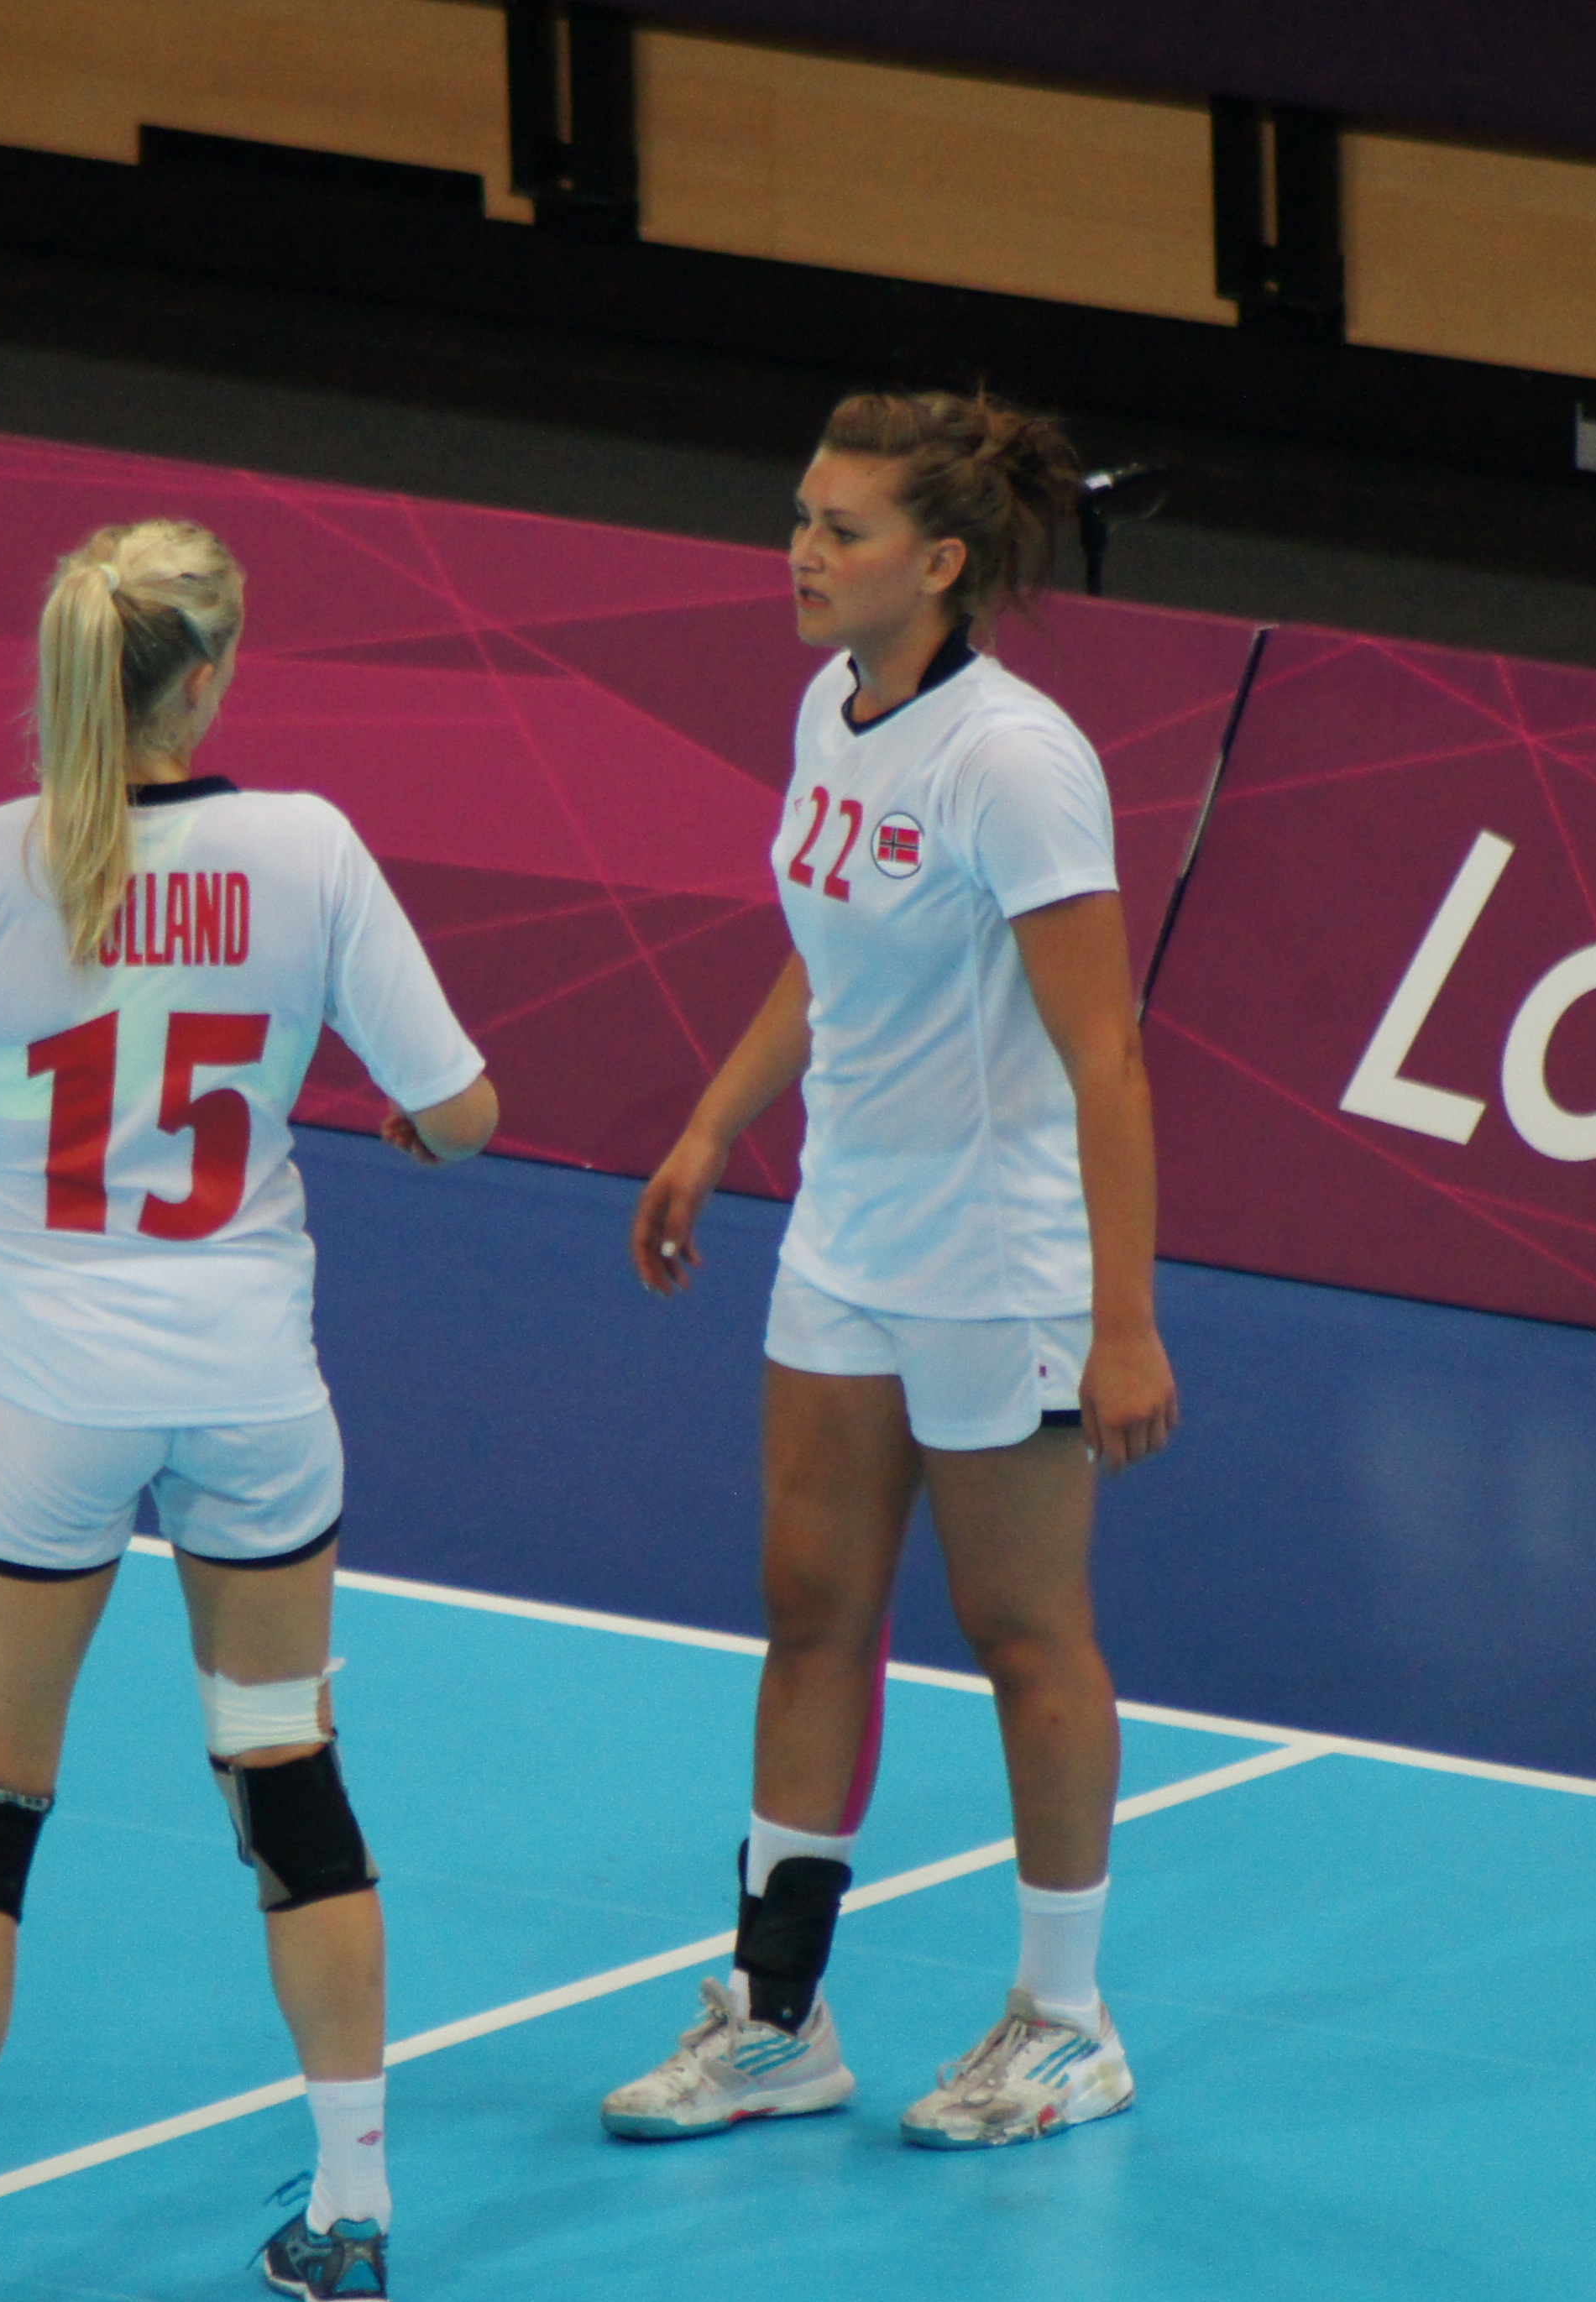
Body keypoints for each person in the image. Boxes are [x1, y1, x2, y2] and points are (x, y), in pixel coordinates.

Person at [0, 519, 496, 2302]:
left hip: (41, 1413)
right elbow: (462, 1112)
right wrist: (403, 1125)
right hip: (251, 1399)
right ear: (205, 678)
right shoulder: (309, 852)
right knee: (288, 1785)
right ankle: (353, 2222)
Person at [603, 390, 1176, 2153]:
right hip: (844, 1243)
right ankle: (776, 2019)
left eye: (838, 531)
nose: (799, 551)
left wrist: (1123, 1321)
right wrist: (714, 1125)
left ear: (937, 563)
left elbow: (1105, 1054)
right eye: (800, 516)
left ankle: (1065, 2023)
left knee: (1023, 1634)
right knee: (810, 1614)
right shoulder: (829, 711)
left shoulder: (1014, 761)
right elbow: (825, 953)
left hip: (1000, 1266)